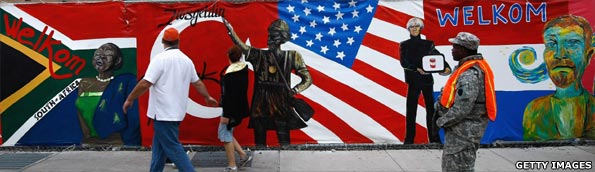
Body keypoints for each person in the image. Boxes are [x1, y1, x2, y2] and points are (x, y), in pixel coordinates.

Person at [122, 28, 218, 172]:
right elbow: (197, 82)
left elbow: (145, 83)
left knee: (174, 148)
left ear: (163, 42)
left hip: (162, 113)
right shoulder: (187, 60)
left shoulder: (159, 60)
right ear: (178, 41)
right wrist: (207, 97)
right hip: (177, 112)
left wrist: (129, 99)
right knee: (159, 149)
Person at [222, 17, 313, 147]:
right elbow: (243, 47)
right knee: (260, 138)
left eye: (274, 35)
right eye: (270, 34)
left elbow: (308, 79)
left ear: (282, 38)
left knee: (283, 138)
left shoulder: (293, 56)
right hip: (261, 102)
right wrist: (231, 31)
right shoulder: (259, 55)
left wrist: (294, 90)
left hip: (280, 102)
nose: (269, 38)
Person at [523, 15, 595, 140]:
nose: (560, 54)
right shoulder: (534, 110)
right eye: (551, 44)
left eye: (572, 43)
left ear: (588, 55)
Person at [435, 32, 496, 172]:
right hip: (460, 132)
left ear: (464, 50)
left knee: (457, 168)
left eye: (455, 47)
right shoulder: (464, 67)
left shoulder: (470, 74)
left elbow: (463, 108)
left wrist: (441, 121)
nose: (452, 49)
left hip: (463, 134)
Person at [76, 42, 140, 146]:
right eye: (99, 52)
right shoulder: (84, 83)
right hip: (89, 142)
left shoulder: (124, 84)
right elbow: (80, 111)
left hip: (116, 142)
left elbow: (132, 117)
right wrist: (87, 135)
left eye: (107, 52)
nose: (101, 55)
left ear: (117, 60)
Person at [399, 17, 451, 144]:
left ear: (420, 29)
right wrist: (417, 69)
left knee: (431, 111)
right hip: (413, 81)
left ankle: (434, 138)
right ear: (409, 29)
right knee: (411, 111)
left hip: (427, 80)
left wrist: (446, 67)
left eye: (417, 27)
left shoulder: (428, 44)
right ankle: (409, 139)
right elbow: (404, 62)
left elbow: (437, 57)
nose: (415, 29)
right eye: (412, 27)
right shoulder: (404, 45)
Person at [219, 45, 252, 172]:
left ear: (229, 57)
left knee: (225, 135)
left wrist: (226, 115)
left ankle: (232, 166)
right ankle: (243, 155)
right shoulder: (243, 69)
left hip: (230, 111)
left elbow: (228, 97)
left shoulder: (229, 75)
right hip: (239, 107)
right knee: (226, 133)